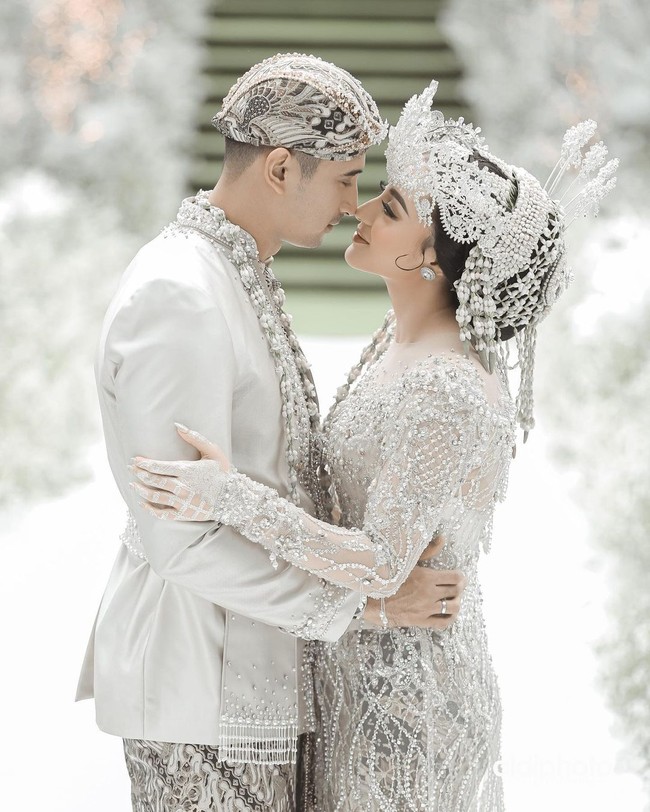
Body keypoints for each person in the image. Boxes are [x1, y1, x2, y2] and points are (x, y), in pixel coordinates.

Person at [133, 81, 618, 810]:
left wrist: (231, 497)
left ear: (436, 258)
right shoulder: (401, 338)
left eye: (389, 207)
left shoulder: (446, 388)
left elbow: (384, 562)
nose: (358, 209)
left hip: (408, 708)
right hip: (356, 676)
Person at [76, 57, 468, 812]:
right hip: (198, 683)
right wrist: (368, 607)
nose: (355, 203)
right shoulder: (179, 292)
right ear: (283, 167)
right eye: (347, 178)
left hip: (250, 673)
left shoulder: (233, 267)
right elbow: (179, 538)